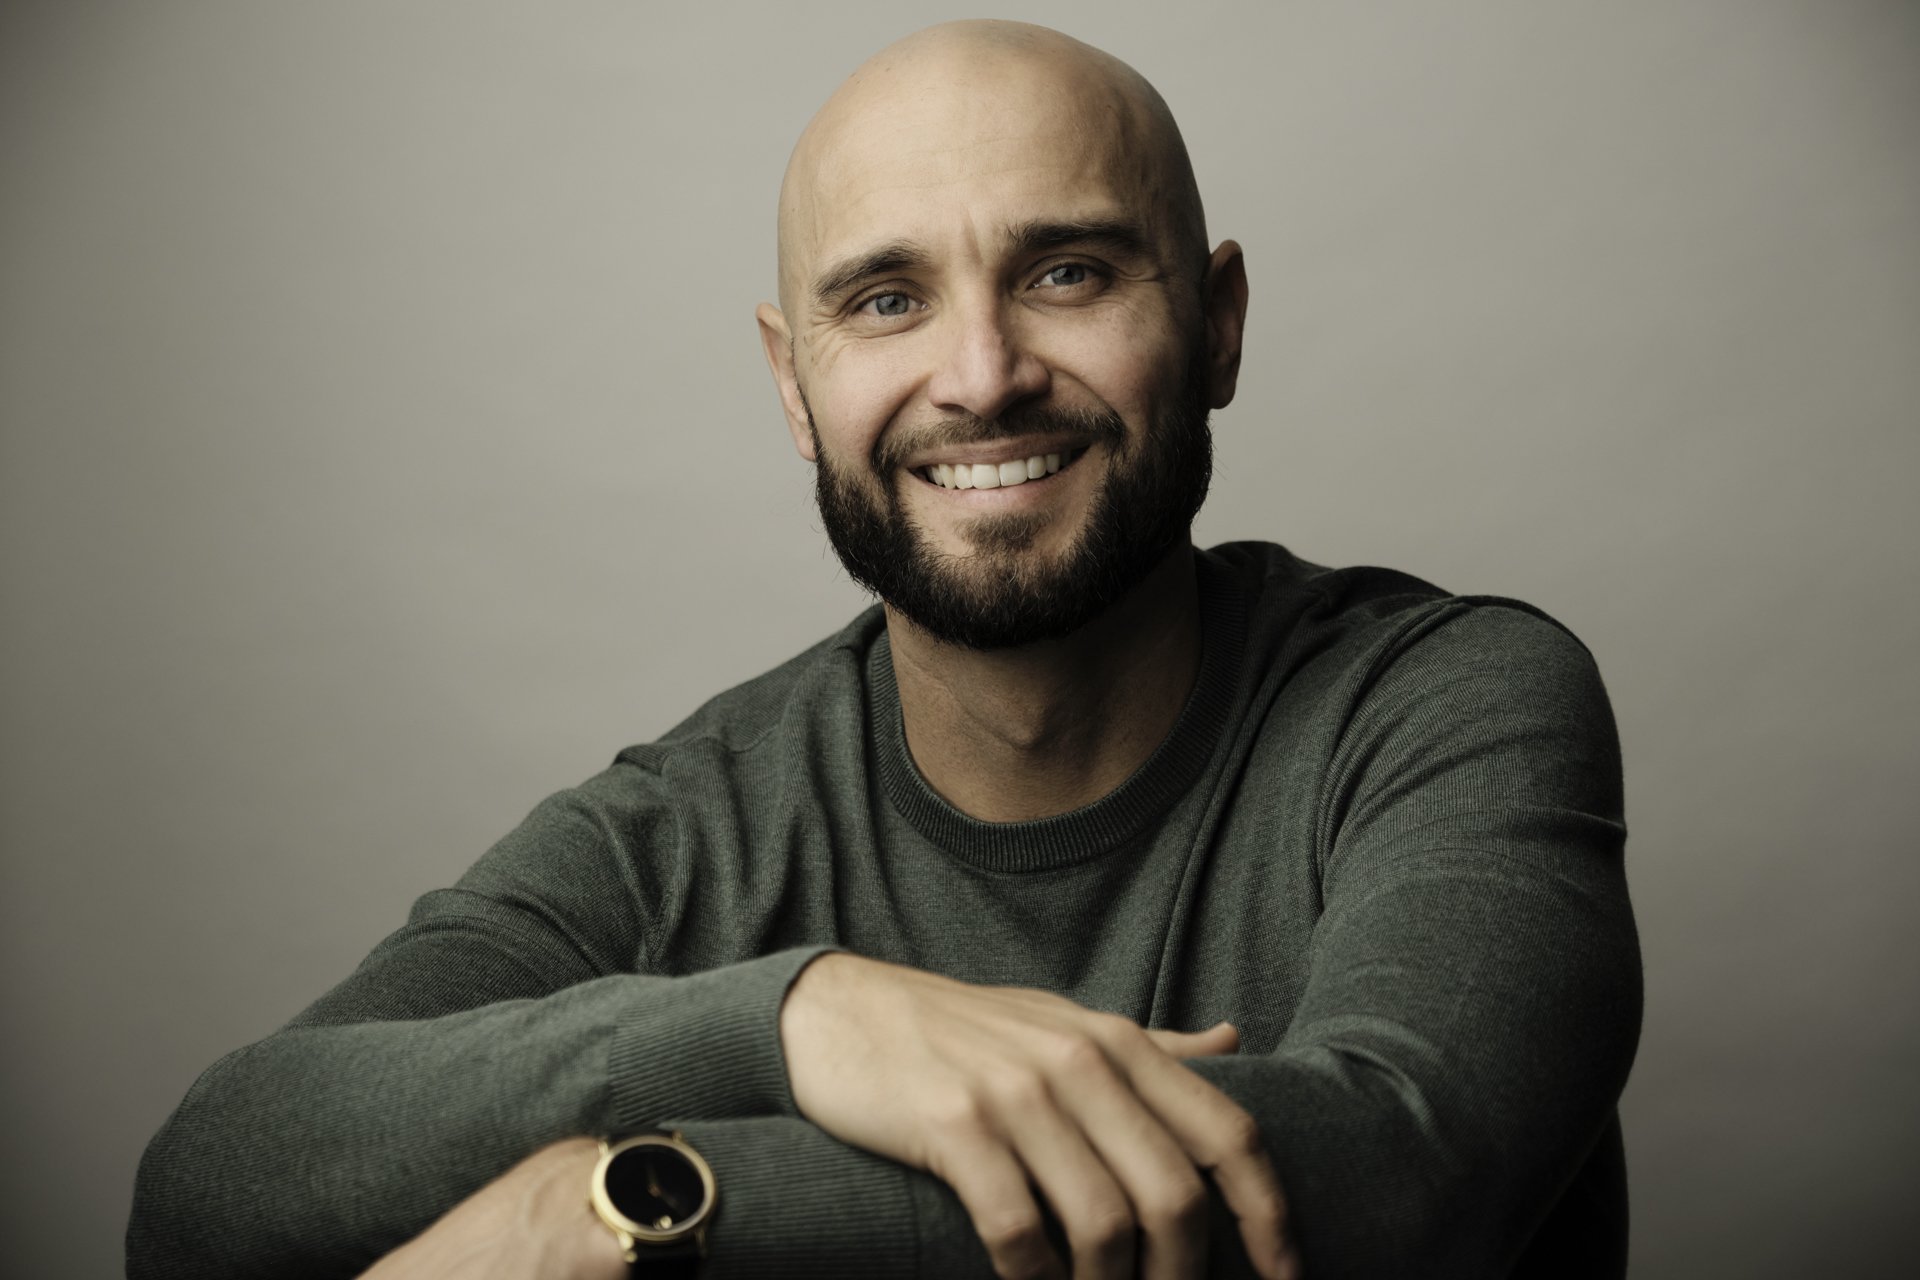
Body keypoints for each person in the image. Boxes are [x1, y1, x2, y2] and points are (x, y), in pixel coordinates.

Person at [126, 19, 1641, 1280]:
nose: (980, 376)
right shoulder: (689, 828)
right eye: (888, 299)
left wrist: (619, 1214)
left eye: (1068, 272)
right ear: (795, 385)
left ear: (1220, 322)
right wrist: (798, 1021)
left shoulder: (1443, 702)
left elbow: (1397, 1180)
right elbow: (218, 1174)